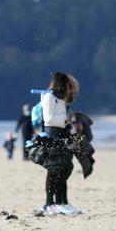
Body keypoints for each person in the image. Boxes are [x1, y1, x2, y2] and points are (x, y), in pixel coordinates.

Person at [39, 72, 81, 214]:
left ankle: (63, 201)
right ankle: (49, 203)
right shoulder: (49, 97)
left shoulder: (60, 99)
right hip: (52, 135)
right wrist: (65, 118)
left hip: (63, 134)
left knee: (66, 167)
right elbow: (49, 118)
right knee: (54, 170)